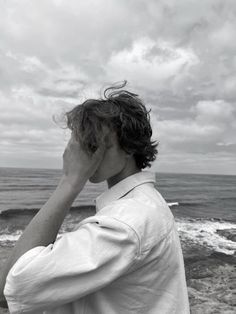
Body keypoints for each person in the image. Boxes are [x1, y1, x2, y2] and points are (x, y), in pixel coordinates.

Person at [0, 81, 190, 313]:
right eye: (84, 141)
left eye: (96, 143)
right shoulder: (144, 203)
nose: (87, 152)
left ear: (129, 146)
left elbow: (12, 285)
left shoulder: (128, 221)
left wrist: (70, 181)